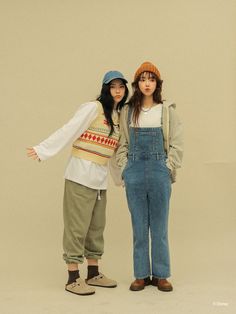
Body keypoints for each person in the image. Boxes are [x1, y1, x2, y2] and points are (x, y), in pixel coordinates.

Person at [27, 70, 129, 296]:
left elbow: (111, 153)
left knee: (96, 227)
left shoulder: (117, 116)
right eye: (113, 87)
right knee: (76, 227)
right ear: (105, 89)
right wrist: (43, 150)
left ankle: (93, 273)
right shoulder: (93, 108)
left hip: (99, 180)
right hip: (80, 175)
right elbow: (69, 129)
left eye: (121, 87)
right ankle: (73, 277)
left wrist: (120, 179)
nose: (117, 91)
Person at [116, 62, 183, 292]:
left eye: (151, 79)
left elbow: (176, 143)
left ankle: (161, 275)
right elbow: (122, 144)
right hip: (134, 170)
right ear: (137, 84)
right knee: (138, 226)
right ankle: (141, 275)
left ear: (157, 84)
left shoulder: (166, 110)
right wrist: (125, 167)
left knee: (160, 227)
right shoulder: (127, 111)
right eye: (143, 79)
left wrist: (168, 167)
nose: (147, 83)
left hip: (158, 171)